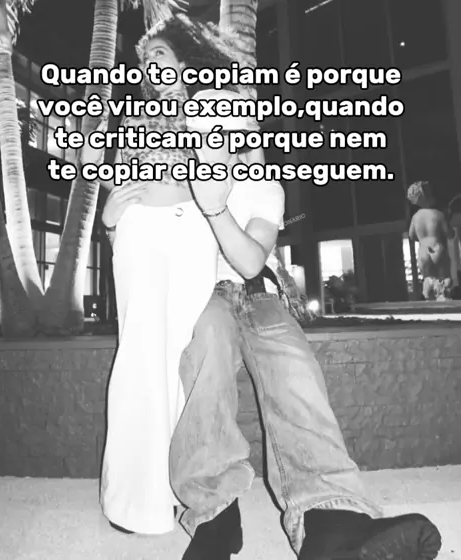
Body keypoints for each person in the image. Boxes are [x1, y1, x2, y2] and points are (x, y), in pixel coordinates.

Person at [165, 90, 442, 560]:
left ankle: (333, 523)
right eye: (205, 128)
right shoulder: (178, 183)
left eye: (228, 127)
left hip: (258, 295)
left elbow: (251, 261)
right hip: (202, 296)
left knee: (295, 370)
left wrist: (215, 207)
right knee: (206, 351)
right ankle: (214, 518)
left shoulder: (263, 187)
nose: (217, 137)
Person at [81, 15, 243, 535]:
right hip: (140, 229)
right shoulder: (134, 116)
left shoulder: (210, 109)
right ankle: (133, 502)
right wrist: (110, 218)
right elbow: (117, 181)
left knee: (180, 357)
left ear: (182, 63)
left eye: (161, 54)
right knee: (139, 354)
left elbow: (230, 172)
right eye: (146, 58)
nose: (152, 63)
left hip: (194, 231)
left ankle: (182, 490)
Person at [408, 180, 454, 301]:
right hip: (438, 248)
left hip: (423, 251)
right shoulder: (438, 214)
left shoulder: (416, 217)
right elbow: (450, 234)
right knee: (444, 279)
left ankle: (429, 301)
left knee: (428, 279)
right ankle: (444, 301)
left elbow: (411, 236)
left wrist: (423, 239)